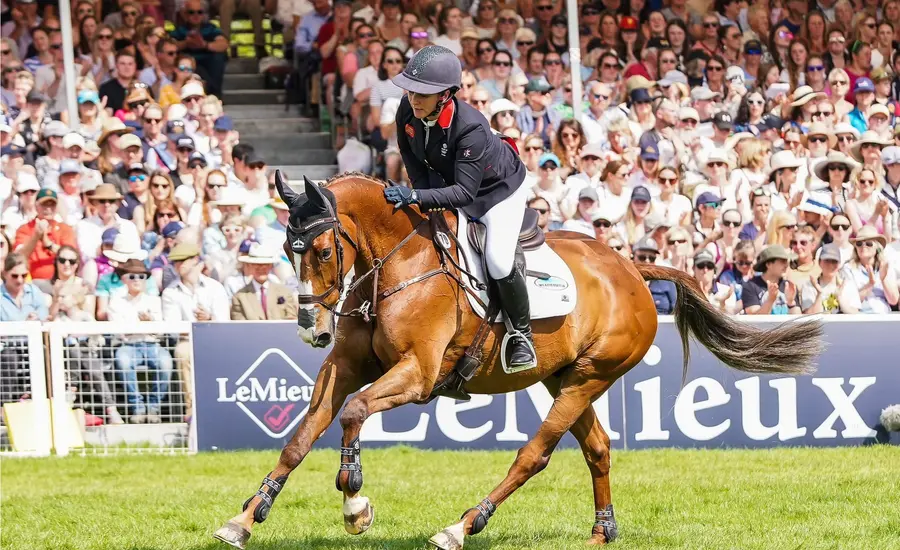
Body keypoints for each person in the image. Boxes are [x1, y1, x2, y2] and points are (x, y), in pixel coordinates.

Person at [387, 45, 535, 371]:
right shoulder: (407, 109)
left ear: (446, 95)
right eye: (412, 91)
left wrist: (416, 198)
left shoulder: (471, 127)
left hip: (498, 192)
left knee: (496, 260)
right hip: (449, 183)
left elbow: (465, 194)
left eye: (423, 94)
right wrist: (419, 191)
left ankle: (522, 335)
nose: (414, 99)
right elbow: (412, 155)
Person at [107, 258, 172, 424]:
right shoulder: (116, 301)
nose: (137, 280)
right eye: (132, 276)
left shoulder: (154, 301)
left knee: (166, 363)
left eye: (141, 276)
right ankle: (138, 407)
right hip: (128, 345)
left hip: (151, 344)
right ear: (124, 279)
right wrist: (146, 324)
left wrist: (148, 324)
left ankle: (153, 407)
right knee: (122, 360)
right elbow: (119, 331)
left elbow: (160, 331)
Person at [13, 188, 77, 286]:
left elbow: (73, 257)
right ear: (36, 206)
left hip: (61, 282)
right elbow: (18, 258)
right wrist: (36, 236)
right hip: (31, 282)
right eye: (44, 205)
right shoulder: (25, 229)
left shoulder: (65, 229)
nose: (48, 209)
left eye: (52, 205)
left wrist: (49, 244)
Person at [230, 242, 298, 321]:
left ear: (271, 266)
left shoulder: (284, 292)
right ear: (249, 265)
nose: (261, 268)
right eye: (257, 264)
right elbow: (239, 328)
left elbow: (291, 320)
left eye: (265, 264)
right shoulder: (239, 297)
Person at [799, 244, 860, 314]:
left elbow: (855, 314)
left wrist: (840, 298)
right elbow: (808, 316)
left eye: (834, 261)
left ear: (839, 264)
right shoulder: (810, 285)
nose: (830, 265)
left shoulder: (848, 284)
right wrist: (819, 294)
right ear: (819, 262)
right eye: (827, 261)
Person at [742, 244, 801, 314]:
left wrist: (791, 303)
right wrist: (770, 300)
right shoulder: (751, 286)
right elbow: (754, 318)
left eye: (786, 261)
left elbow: (797, 320)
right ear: (768, 264)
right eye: (782, 261)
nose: (786, 265)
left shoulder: (789, 287)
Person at [632, 236, 677, 314]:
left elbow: (676, 312)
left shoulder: (667, 282)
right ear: (633, 258)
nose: (647, 261)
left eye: (652, 258)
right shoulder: (625, 283)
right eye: (642, 257)